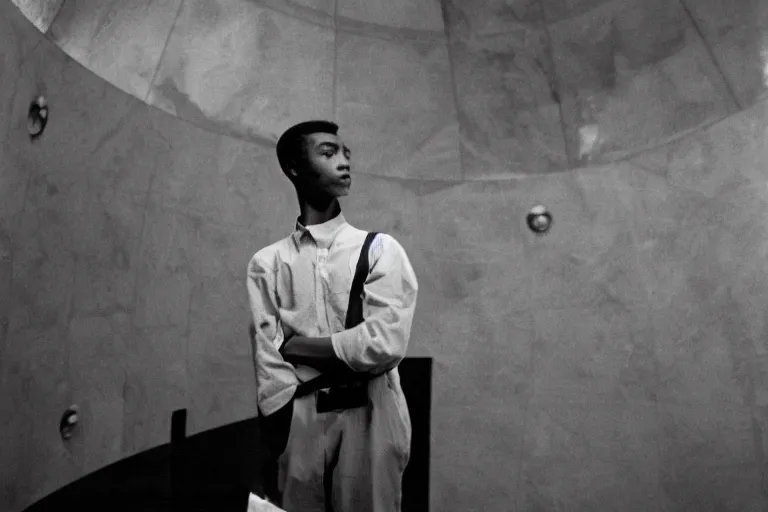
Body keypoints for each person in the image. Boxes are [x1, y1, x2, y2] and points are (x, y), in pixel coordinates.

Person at [246, 120, 419, 512]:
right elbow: (268, 362)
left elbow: (383, 344)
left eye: (345, 154)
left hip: (373, 414)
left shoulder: (380, 249)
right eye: (328, 153)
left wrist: (300, 346)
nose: (343, 163)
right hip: (299, 419)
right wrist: (284, 435)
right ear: (294, 166)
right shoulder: (268, 263)